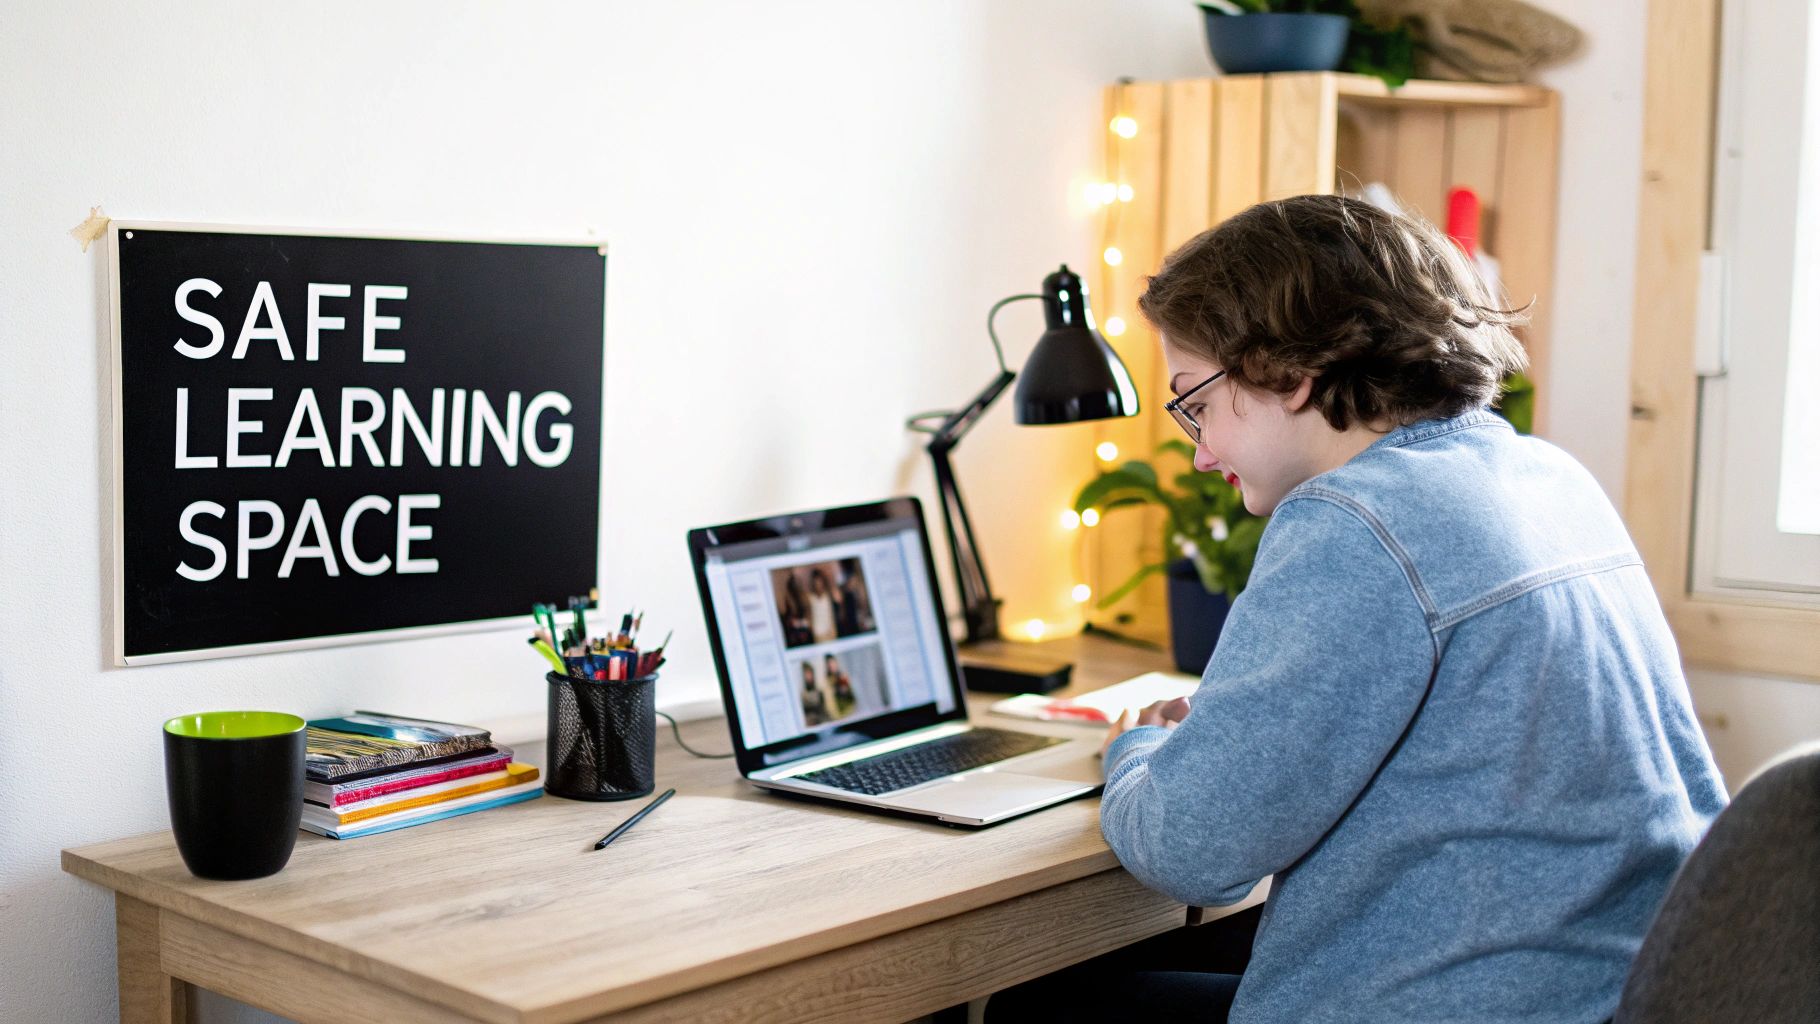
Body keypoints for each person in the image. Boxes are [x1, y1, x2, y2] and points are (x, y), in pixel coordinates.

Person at [987, 195, 1725, 1024]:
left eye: (1196, 402)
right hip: (1614, 993)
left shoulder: (1355, 520)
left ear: (1288, 373)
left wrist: (1142, 749)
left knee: (1030, 1004)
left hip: (1476, 1004)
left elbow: (1192, 852)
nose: (1198, 452)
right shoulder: (1548, 478)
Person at [807, 568, 839, 644]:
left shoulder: (828, 595)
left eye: (819, 581)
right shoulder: (810, 597)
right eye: (815, 582)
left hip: (830, 632)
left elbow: (833, 612)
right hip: (817, 634)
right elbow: (809, 615)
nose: (818, 584)